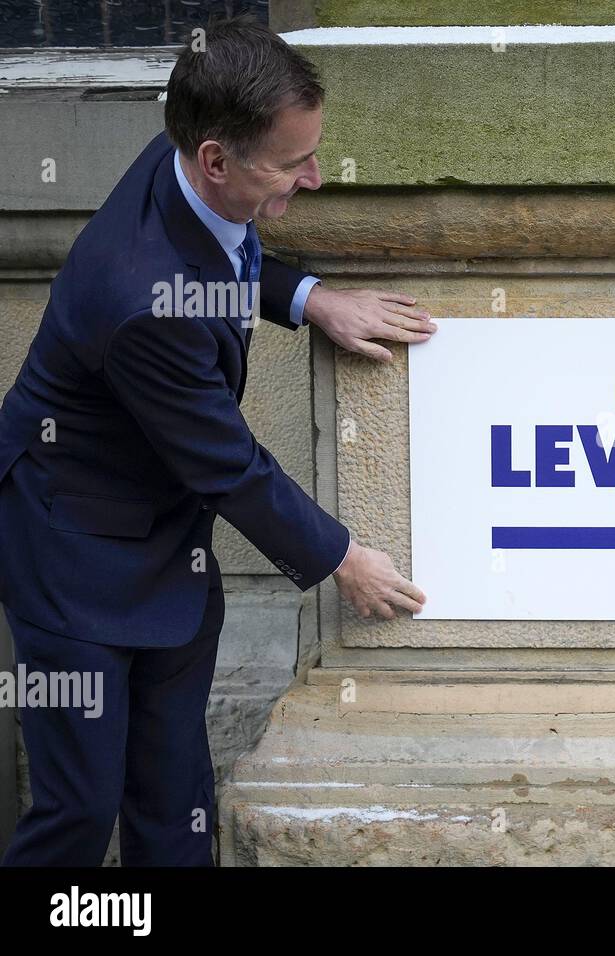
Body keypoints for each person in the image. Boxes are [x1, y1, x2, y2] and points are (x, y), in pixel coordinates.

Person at [0, 16, 428, 865]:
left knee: (174, 798)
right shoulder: (139, 299)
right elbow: (228, 465)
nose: (312, 179)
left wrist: (309, 297)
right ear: (216, 159)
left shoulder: (186, 163)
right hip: (70, 550)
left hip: (165, 543)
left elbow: (226, 255)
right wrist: (345, 558)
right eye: (291, 164)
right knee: (80, 813)